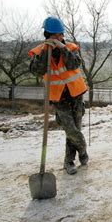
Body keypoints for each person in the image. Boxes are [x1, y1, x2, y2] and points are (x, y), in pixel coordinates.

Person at [29, 16, 89, 174]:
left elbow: (73, 64)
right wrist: (44, 51)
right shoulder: (39, 52)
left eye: (61, 34)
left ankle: (68, 162)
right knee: (71, 130)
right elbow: (37, 70)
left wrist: (62, 48)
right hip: (58, 98)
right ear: (47, 35)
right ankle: (82, 150)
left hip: (76, 95)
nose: (60, 37)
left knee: (75, 129)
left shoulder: (71, 47)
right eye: (55, 35)